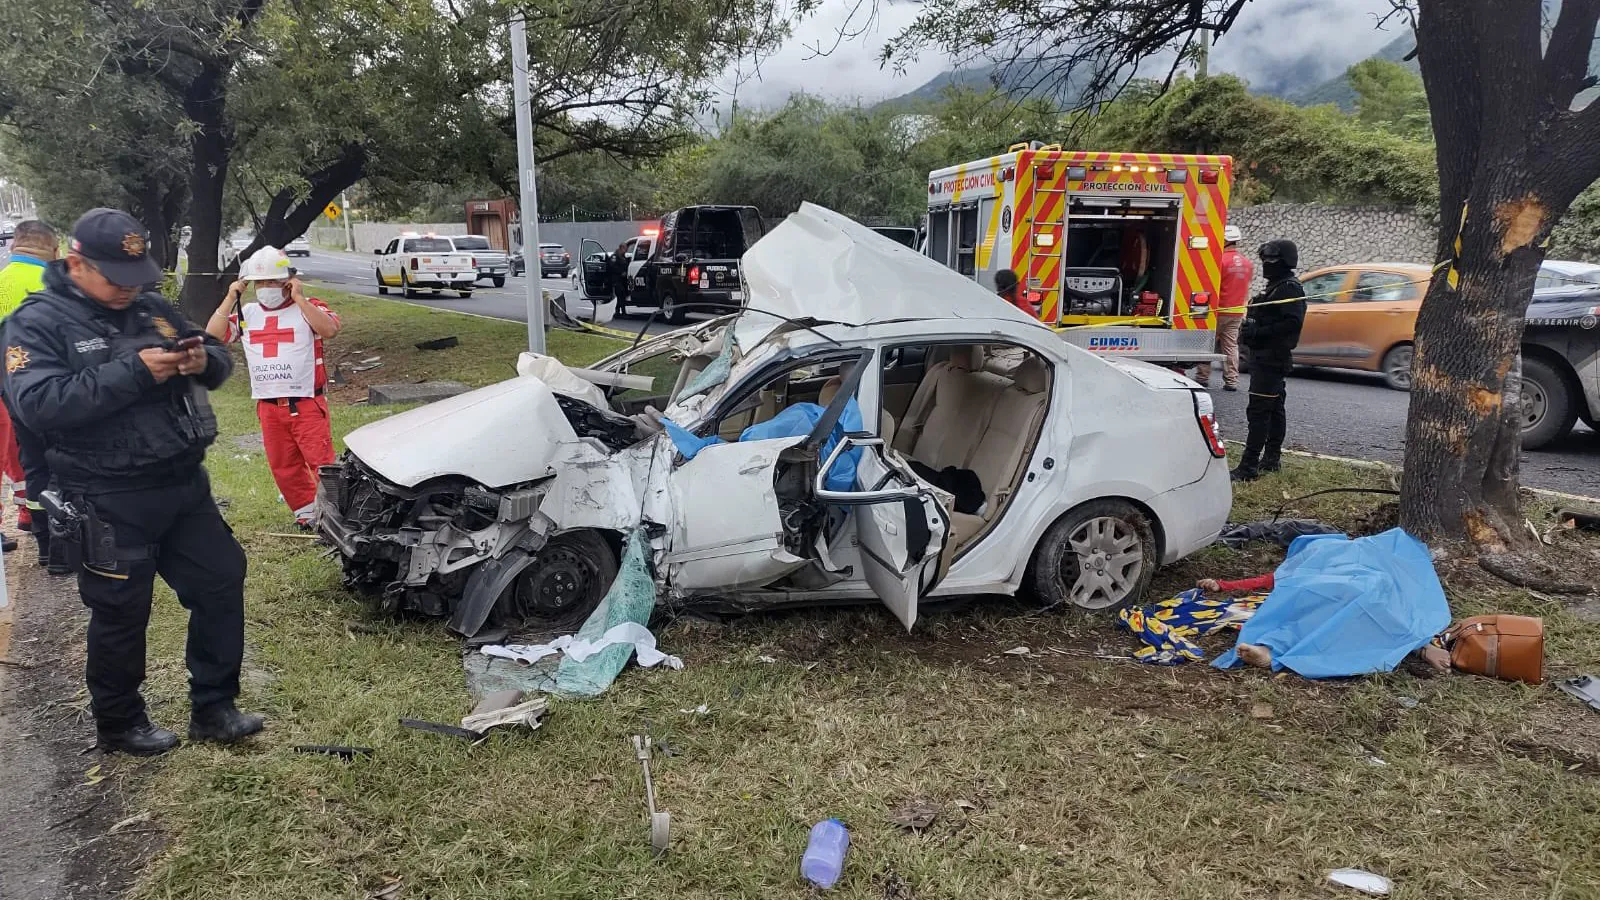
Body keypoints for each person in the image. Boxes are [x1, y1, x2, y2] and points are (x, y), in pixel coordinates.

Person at [5, 208, 261, 755]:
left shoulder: (150, 306)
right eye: (116, 278)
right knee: (121, 611)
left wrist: (202, 362)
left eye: (135, 276)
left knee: (221, 581)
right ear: (76, 263)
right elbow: (37, 404)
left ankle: (214, 708)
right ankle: (120, 723)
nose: (128, 289)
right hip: (105, 493)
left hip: (180, 482)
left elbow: (214, 358)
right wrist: (135, 370)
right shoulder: (36, 323)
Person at [206, 246, 341, 527]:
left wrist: (300, 299)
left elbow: (329, 329)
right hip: (268, 406)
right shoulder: (248, 313)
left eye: (273, 281)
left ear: (288, 281)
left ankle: (338, 516)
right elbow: (213, 335)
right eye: (260, 282)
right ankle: (306, 516)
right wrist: (231, 296)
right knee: (284, 466)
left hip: (305, 403)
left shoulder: (308, 308)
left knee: (323, 464)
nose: (266, 288)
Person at [0, 220, 62, 556]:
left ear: (14, 247)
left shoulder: (1, 282)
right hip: (58, 394)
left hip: (12, 396)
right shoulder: (55, 283)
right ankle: (65, 545)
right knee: (63, 464)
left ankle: (45, 547)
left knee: (33, 465)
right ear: (53, 249)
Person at [1232, 239, 1307, 482]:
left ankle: (1248, 466)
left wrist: (1258, 332)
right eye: (1263, 260)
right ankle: (1271, 459)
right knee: (1274, 410)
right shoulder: (1276, 286)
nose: (1266, 264)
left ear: (1284, 261)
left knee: (1259, 412)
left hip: (1271, 359)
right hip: (1265, 357)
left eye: (1271, 260)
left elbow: (1292, 323)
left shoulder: (1289, 288)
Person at [1195, 224, 1253, 391]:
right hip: (1236, 311)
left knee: (1207, 344)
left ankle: (1202, 377)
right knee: (1231, 346)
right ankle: (1231, 381)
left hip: (1217, 310)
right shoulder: (1247, 263)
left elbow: (1210, 284)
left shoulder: (1219, 260)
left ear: (1226, 240)